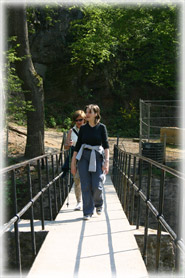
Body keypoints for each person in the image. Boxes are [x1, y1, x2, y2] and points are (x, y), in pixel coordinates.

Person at [71, 104, 109, 220]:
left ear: (96, 114)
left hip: (97, 156)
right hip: (84, 157)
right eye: (86, 112)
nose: (86, 114)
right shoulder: (83, 128)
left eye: (89, 112)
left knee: (97, 184)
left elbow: (106, 146)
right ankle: (87, 212)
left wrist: (107, 162)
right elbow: (77, 147)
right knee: (85, 185)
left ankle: (99, 204)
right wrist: (73, 163)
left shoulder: (102, 127)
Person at [64, 110, 86, 210]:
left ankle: (89, 201)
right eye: (76, 120)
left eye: (80, 120)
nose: (78, 122)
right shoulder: (71, 131)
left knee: (87, 179)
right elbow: (66, 147)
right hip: (75, 157)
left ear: (84, 119)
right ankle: (79, 202)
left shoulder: (89, 129)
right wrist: (68, 144)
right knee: (77, 179)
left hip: (87, 156)